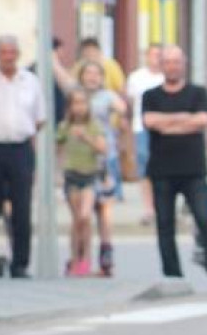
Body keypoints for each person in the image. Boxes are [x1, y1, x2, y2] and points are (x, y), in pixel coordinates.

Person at [142, 45, 207, 291]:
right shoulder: (150, 96)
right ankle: (173, 276)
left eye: (176, 61)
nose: (172, 66)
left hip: (193, 170)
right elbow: (150, 122)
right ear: (162, 66)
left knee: (206, 220)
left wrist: (168, 122)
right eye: (167, 62)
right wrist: (185, 120)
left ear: (184, 64)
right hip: (162, 170)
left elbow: (202, 121)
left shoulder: (197, 93)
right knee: (165, 225)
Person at [0, 35, 46, 279]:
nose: (8, 57)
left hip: (20, 148)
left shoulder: (30, 81)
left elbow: (39, 119)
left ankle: (20, 262)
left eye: (12, 52)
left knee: (22, 208)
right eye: (4, 52)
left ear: (18, 54)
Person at [77, 60, 127, 276]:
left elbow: (123, 109)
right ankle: (81, 258)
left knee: (104, 209)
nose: (92, 77)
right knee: (82, 213)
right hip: (81, 159)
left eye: (96, 74)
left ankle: (106, 255)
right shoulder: (76, 96)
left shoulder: (106, 96)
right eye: (88, 73)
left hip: (104, 158)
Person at [56, 88, 106, 276]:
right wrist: (58, 175)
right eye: (75, 103)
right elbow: (58, 150)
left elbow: (103, 148)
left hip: (89, 176)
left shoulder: (93, 126)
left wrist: (86, 137)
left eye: (82, 103)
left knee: (85, 216)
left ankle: (86, 259)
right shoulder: (64, 127)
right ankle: (75, 259)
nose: (79, 107)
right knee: (77, 220)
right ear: (70, 106)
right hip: (71, 176)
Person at [126, 43, 164, 225]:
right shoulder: (136, 78)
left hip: (164, 130)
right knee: (145, 168)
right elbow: (131, 103)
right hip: (141, 128)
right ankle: (148, 208)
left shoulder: (166, 78)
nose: (156, 58)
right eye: (153, 55)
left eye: (159, 55)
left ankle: (161, 206)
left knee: (163, 169)